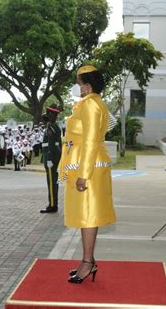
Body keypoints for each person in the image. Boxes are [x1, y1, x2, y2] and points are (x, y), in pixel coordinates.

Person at [59, 65, 116, 284]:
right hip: (85, 164)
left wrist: (84, 174)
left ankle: (87, 262)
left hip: (88, 167)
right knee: (85, 216)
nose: (77, 86)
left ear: (87, 85)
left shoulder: (91, 105)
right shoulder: (90, 103)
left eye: (79, 82)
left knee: (89, 215)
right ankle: (87, 260)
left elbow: (92, 139)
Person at [40, 105, 63, 213]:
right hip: (54, 157)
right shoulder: (54, 126)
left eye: (48, 114)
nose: (47, 116)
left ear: (51, 115)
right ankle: (53, 204)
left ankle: (52, 205)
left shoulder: (51, 127)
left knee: (51, 181)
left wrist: (49, 158)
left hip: (51, 158)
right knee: (53, 181)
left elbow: (50, 144)